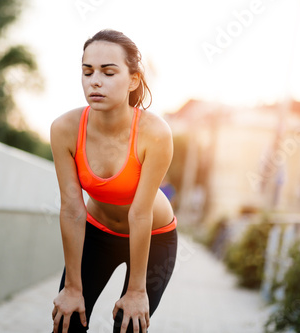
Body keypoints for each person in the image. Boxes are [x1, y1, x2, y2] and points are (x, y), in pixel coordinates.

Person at [50, 29, 177, 333]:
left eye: (108, 72)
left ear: (133, 79)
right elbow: (71, 209)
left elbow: (140, 212)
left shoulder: (155, 133)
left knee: (129, 326)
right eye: (87, 71)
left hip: (154, 236)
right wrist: (71, 287)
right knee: (67, 322)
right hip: (97, 233)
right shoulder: (65, 128)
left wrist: (135, 292)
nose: (95, 81)